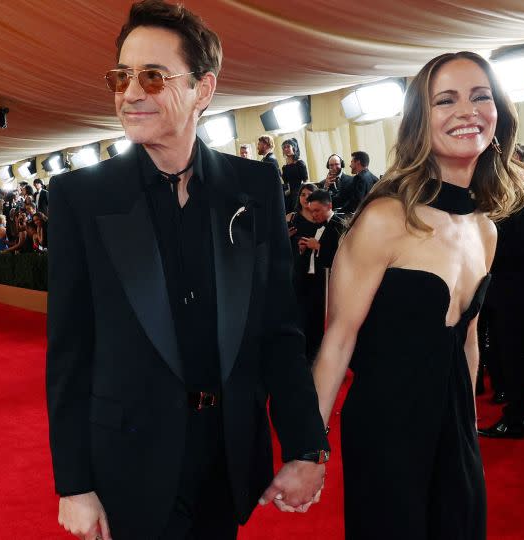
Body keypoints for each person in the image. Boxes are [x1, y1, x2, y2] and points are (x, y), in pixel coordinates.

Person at [47, 2, 327, 539]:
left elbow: (278, 332)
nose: (131, 93)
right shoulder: (81, 197)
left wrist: (305, 445)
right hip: (128, 463)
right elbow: (70, 352)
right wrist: (74, 484)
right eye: (121, 76)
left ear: (203, 89)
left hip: (226, 458)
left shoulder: (254, 187)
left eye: (153, 76)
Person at [312, 51, 524, 539]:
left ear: (499, 113)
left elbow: (468, 341)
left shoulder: (486, 229)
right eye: (445, 100)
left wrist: (467, 426)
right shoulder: (385, 218)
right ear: (419, 121)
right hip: (387, 424)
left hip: (454, 424)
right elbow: (338, 339)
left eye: (481, 97)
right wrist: (309, 448)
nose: (467, 111)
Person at [477, 148, 524, 439]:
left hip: (519, 293)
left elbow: (522, 252)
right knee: (507, 355)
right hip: (506, 292)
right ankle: (515, 412)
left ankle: (519, 419)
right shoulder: (517, 201)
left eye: (512, 169)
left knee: (516, 357)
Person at [296, 189, 345, 360]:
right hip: (313, 279)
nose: (313, 215)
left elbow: (342, 256)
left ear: (329, 206)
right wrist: (306, 248)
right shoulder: (320, 226)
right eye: (311, 211)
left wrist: (318, 247)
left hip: (328, 283)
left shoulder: (340, 224)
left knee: (321, 322)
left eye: (317, 210)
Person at [281, 138, 309, 211]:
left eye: (288, 147)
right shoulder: (285, 166)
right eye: (284, 147)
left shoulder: (300, 163)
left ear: (293, 148)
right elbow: (286, 182)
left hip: (299, 193)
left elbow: (305, 180)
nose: (286, 149)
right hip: (289, 194)